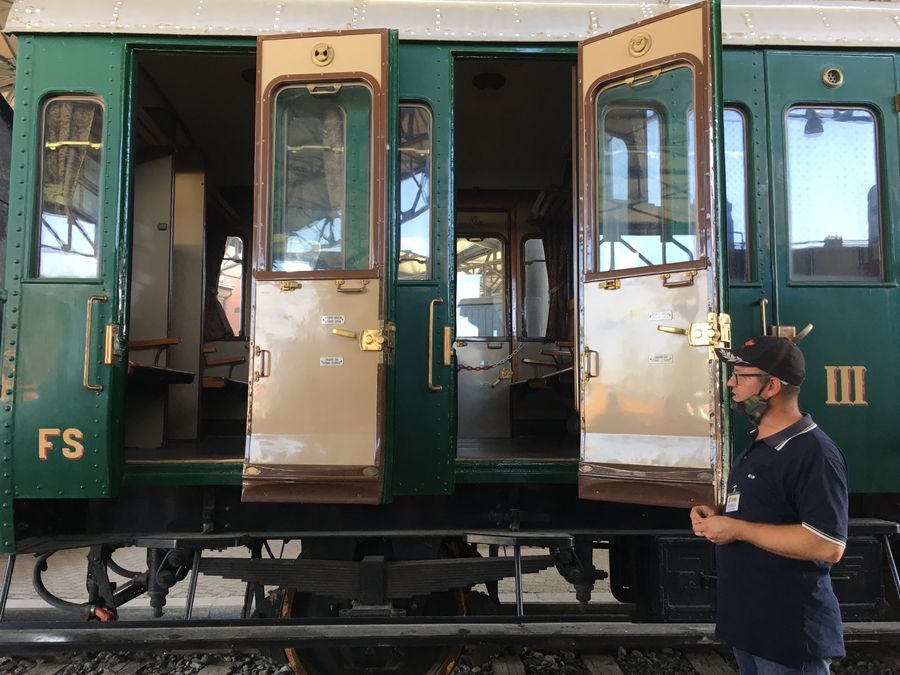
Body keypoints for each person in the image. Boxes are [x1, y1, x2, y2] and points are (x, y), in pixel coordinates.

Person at [691, 335, 848, 674]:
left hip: (788, 635)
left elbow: (827, 544)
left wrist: (738, 528)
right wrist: (719, 518)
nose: (730, 383)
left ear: (772, 386)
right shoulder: (760, 444)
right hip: (751, 628)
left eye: (740, 375)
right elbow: (766, 511)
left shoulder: (814, 453)